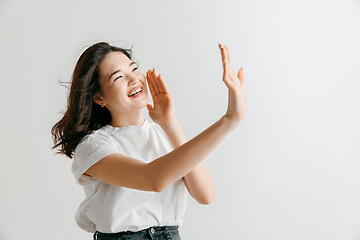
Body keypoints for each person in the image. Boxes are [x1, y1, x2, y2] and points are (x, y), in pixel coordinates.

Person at [51, 41, 246, 240]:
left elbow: (205, 195)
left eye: (134, 68)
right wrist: (229, 120)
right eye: (118, 77)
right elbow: (153, 179)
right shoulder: (94, 146)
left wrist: (170, 124)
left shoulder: (162, 133)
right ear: (100, 98)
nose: (133, 79)